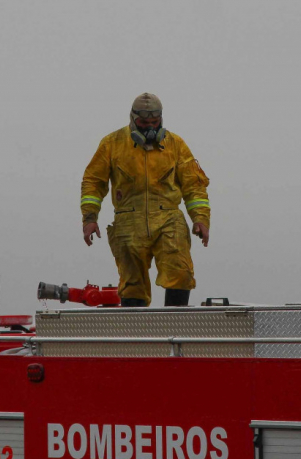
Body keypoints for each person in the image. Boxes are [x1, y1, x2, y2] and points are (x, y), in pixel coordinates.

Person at [81, 93, 210, 307]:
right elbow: (93, 183)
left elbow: (194, 185)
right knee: (132, 284)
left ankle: (174, 332)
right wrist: (89, 218)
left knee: (180, 272)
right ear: (132, 119)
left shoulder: (176, 144)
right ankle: (137, 337)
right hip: (129, 221)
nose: (149, 126)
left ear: (161, 119)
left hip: (169, 219)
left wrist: (201, 219)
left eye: (154, 122)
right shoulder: (111, 144)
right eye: (143, 122)